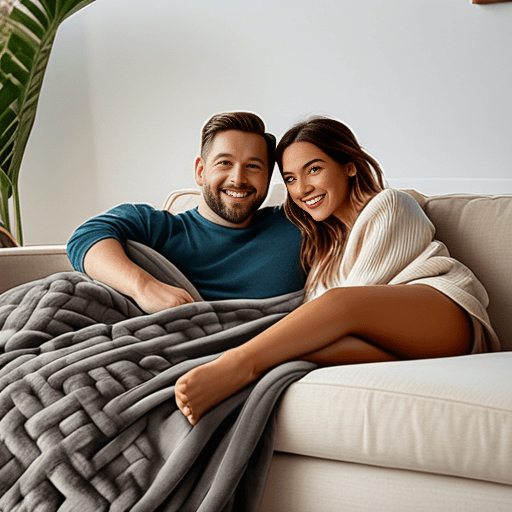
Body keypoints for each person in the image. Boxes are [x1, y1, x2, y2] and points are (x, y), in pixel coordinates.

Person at [175, 115, 501, 425]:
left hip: (446, 313)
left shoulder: (389, 205)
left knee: (336, 307)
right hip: (400, 345)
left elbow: (349, 304)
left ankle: (237, 366)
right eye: (290, 179)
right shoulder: (324, 247)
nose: (302, 189)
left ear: (348, 166)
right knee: (297, 355)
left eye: (313, 169)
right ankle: (231, 370)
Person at [67, 112, 305, 313]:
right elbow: (85, 236)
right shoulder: (158, 226)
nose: (238, 179)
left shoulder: (296, 223)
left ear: (268, 178)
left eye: (253, 166)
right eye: (224, 163)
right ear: (200, 171)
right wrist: (143, 287)